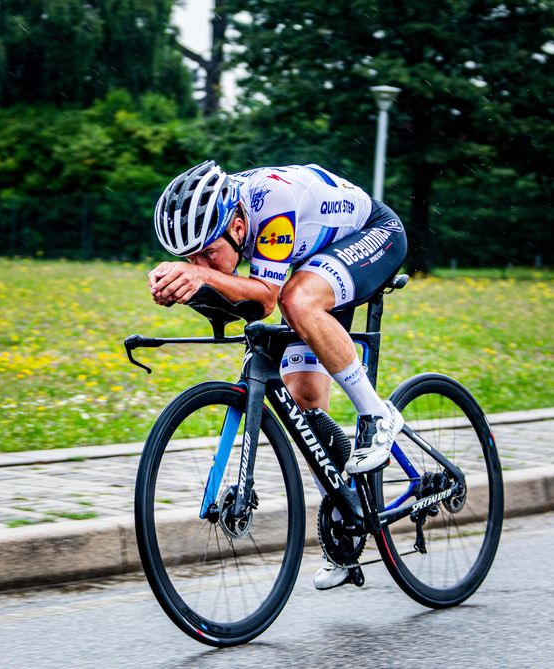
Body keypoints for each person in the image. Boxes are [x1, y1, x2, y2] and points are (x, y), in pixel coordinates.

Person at [148, 160, 408, 590]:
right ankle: (346, 523)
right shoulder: (228, 226)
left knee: (297, 299)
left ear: (235, 223)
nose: (200, 262)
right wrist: (181, 287)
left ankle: (378, 415)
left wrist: (199, 276)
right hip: (317, 260)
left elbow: (265, 298)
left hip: (373, 235)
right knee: (304, 402)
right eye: (188, 256)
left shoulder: (273, 202)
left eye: (207, 251)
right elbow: (235, 298)